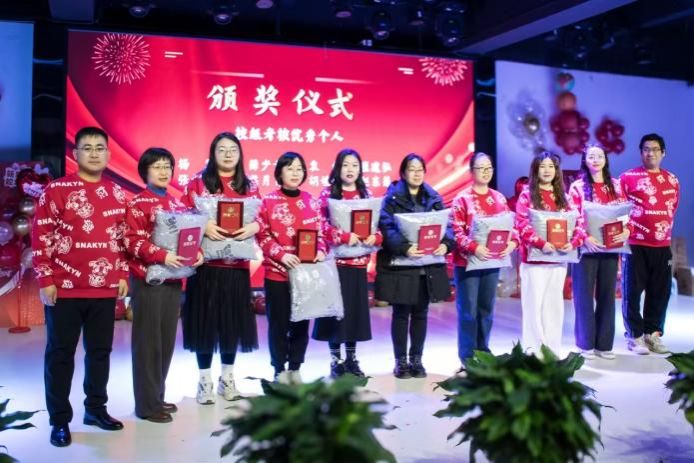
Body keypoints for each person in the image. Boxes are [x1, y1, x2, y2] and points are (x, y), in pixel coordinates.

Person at [32, 126, 128, 447]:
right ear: (76, 154)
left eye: (100, 148)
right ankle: (59, 420)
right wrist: (46, 279)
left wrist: (122, 274)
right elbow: (42, 236)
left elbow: (122, 239)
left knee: (100, 353)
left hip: (103, 289)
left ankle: (96, 409)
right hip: (65, 288)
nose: (94, 153)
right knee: (60, 355)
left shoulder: (116, 193)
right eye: (87, 148)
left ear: (108, 154)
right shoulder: (57, 190)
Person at [181, 132, 261, 403]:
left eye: (233, 150)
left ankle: (227, 378)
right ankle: (204, 381)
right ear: (213, 154)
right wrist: (203, 225)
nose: (228, 154)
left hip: (236, 267)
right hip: (205, 266)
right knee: (204, 323)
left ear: (240, 155)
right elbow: (181, 216)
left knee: (231, 324)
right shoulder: (197, 183)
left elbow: (263, 217)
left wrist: (254, 226)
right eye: (222, 149)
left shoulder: (249, 185)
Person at [125, 147, 203, 423]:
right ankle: (146, 406)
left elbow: (189, 238)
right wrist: (162, 255)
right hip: (148, 280)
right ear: (145, 172)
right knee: (148, 344)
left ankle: (157, 396)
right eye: (157, 166)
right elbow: (132, 241)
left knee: (166, 341)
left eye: (167, 166)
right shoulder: (137, 203)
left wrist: (197, 252)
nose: (163, 171)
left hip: (173, 281)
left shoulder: (176, 204)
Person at [376, 153, 455, 379]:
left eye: (420, 169)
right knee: (401, 314)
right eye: (412, 169)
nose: (417, 173)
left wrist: (446, 244)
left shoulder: (433, 197)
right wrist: (404, 247)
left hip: (426, 266)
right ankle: (401, 361)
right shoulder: (391, 199)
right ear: (403, 173)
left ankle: (417, 359)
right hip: (402, 265)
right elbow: (387, 228)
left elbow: (448, 225)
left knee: (421, 313)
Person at [256, 152, 327, 384]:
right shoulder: (268, 201)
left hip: (305, 275)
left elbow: (321, 233)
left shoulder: (311, 201)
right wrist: (282, 255)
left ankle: (295, 368)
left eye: (299, 168)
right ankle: (279, 370)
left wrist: (321, 250)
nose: (295, 173)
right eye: (290, 168)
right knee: (278, 326)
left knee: (301, 324)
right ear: (279, 172)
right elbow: (262, 235)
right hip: (277, 275)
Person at [313, 149, 382, 378]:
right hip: (335, 265)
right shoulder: (327, 194)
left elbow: (376, 226)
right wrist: (343, 236)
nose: (350, 169)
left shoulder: (366, 194)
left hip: (359, 264)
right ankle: (336, 360)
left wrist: (375, 237)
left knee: (354, 315)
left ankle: (351, 359)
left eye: (354, 165)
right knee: (335, 314)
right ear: (337, 168)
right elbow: (320, 226)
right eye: (345, 165)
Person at [514, 151, 585, 356]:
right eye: (542, 166)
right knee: (533, 307)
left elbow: (579, 223)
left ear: (557, 170)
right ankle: (533, 353)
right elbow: (521, 224)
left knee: (554, 307)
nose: (547, 170)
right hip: (534, 261)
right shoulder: (527, 195)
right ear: (536, 170)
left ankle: (552, 352)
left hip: (558, 261)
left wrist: (573, 243)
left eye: (551, 166)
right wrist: (541, 243)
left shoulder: (565, 197)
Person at [451, 152, 518, 366]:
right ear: (471, 172)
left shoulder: (499, 198)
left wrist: (512, 243)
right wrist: (474, 247)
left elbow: (512, 227)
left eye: (489, 167)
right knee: (468, 311)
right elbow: (456, 232)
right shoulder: (462, 199)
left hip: (492, 262)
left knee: (486, 309)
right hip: (467, 263)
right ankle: (468, 357)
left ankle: (483, 351)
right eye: (481, 168)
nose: (486, 171)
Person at [619, 133, 680, 354]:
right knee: (632, 292)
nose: (650, 153)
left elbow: (672, 208)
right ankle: (635, 336)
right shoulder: (628, 178)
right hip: (635, 244)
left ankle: (652, 334)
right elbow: (620, 209)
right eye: (646, 149)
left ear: (663, 153)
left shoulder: (672, 180)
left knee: (660, 292)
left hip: (662, 246)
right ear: (641, 152)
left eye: (655, 149)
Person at [568, 144, 629, 360]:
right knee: (583, 296)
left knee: (607, 296)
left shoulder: (616, 185)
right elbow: (572, 217)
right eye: (591, 156)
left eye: (599, 156)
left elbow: (625, 214)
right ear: (584, 160)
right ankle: (585, 344)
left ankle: (604, 345)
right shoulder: (577, 187)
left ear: (606, 159)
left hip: (610, 249)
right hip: (586, 250)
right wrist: (585, 237)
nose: (595, 160)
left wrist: (627, 230)